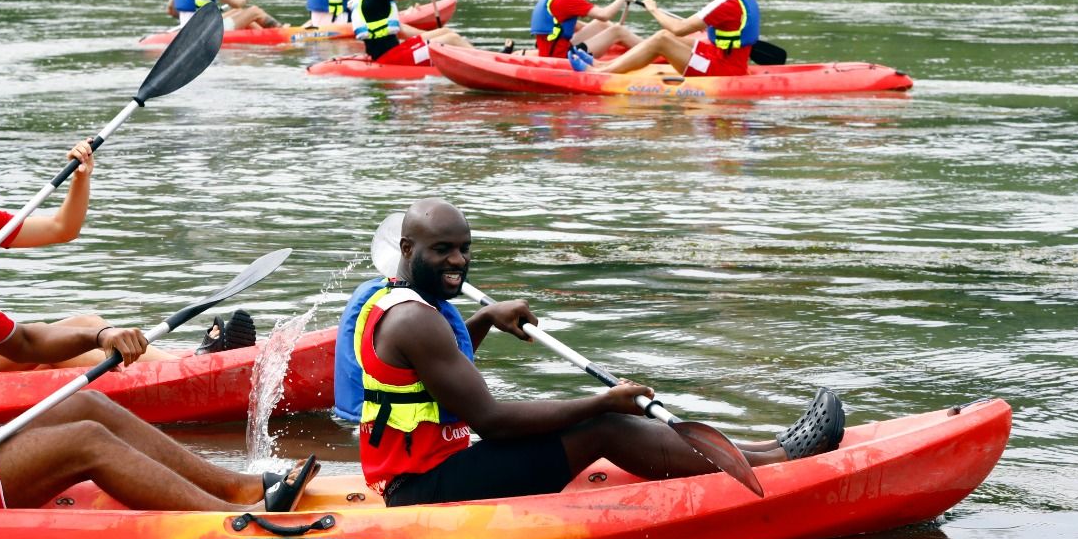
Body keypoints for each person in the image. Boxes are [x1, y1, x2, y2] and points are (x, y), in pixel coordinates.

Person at [0, 157, 318, 513]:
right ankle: (233, 522)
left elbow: (26, 343)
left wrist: (100, 335)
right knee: (85, 441)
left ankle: (239, 486)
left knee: (86, 406)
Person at [353, 197, 844, 506]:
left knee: (599, 418)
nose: (458, 260)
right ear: (409, 248)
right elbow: (490, 420)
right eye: (443, 249)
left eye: (464, 247)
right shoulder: (418, 319)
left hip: (423, 469)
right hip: (422, 490)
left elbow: (434, 381)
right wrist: (603, 402)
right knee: (603, 426)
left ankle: (762, 449)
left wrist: (483, 320)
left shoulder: (391, 298)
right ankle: (780, 462)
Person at [0, 131, 255, 372]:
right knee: (72, 345)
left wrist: (80, 176)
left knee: (85, 325)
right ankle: (182, 370)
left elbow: (62, 228)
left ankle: (179, 364)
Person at [576, 0, 760, 77]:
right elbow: (732, 24)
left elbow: (678, 28)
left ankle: (603, 73)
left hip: (722, 69)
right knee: (667, 36)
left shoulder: (723, 4)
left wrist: (653, 9)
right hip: (726, 58)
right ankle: (602, 66)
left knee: (663, 39)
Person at [527, 0, 640, 60]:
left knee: (601, 24)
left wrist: (603, 35)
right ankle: (651, 49)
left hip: (552, 51)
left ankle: (636, 44)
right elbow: (605, 15)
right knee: (617, 30)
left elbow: (574, 25)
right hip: (562, 58)